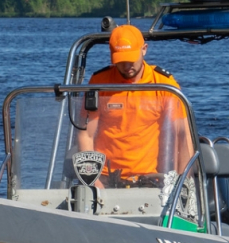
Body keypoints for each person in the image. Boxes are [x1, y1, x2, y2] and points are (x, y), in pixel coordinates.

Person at [75, 24, 188, 187]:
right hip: (105, 177)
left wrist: (183, 183)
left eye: (131, 59)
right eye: (121, 60)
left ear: (144, 49)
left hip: (149, 179)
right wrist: (93, 180)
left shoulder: (164, 84)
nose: (127, 66)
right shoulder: (99, 82)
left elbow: (183, 136)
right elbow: (86, 134)